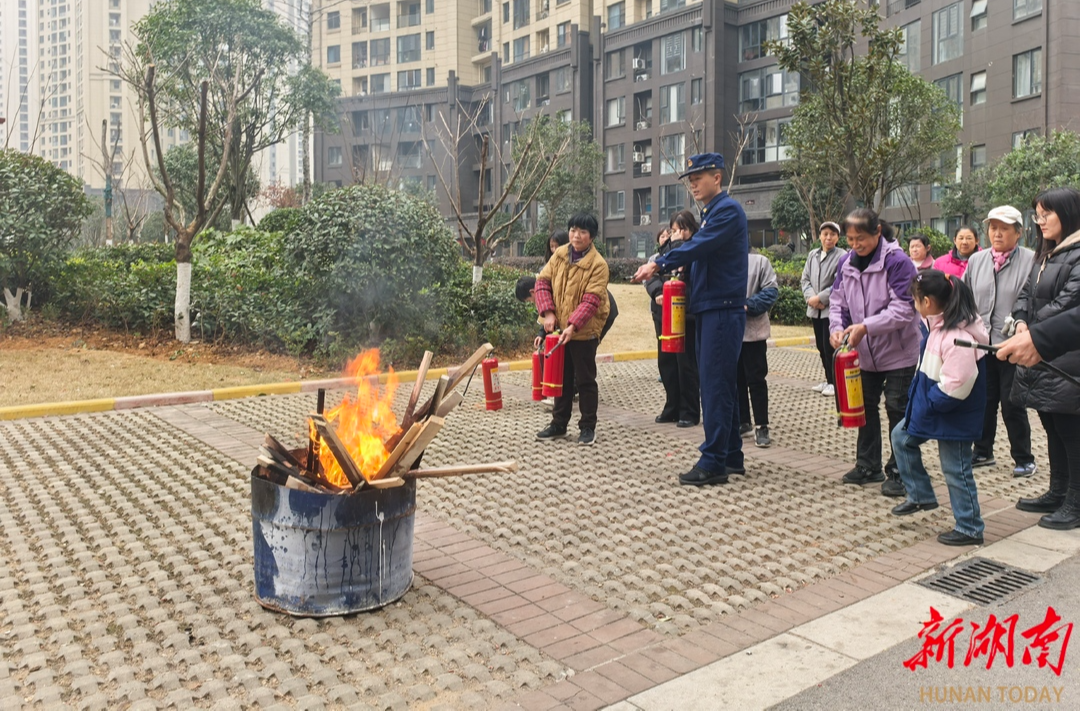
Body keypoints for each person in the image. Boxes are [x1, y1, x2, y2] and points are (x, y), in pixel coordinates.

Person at [632, 153, 748, 486]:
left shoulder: (726, 211)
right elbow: (699, 251)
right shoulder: (711, 214)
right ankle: (730, 455)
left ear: (718, 178)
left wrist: (658, 263)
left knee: (713, 386)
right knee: (722, 384)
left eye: (700, 177)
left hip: (722, 308)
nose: (694, 183)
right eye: (691, 179)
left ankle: (713, 462)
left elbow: (698, 247)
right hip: (712, 307)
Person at [890, 270, 988, 546]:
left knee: (956, 469)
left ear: (929, 302)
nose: (913, 303)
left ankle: (970, 526)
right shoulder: (937, 324)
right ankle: (921, 495)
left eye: (915, 299)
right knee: (901, 437)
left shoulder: (957, 335)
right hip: (932, 406)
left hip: (951, 413)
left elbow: (958, 383)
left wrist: (930, 403)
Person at [829, 208, 921, 497]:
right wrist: (837, 328)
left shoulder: (898, 262)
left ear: (878, 232)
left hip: (898, 351)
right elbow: (838, 301)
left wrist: (865, 326)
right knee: (864, 406)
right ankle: (868, 465)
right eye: (851, 239)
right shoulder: (845, 262)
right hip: (863, 354)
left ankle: (901, 471)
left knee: (897, 408)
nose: (856, 245)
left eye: (862, 239)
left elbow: (904, 309)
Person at [1008, 187, 1080, 528]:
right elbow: (1025, 294)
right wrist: (1022, 321)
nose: (1040, 221)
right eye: (1037, 214)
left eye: (1046, 213)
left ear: (1068, 213)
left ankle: (1076, 503)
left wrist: (1032, 331)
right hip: (1041, 353)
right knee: (1051, 425)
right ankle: (1058, 491)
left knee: (1071, 430)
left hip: (1067, 358)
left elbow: (1068, 303)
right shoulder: (1048, 253)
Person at [962, 205, 1036, 477]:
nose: (997, 233)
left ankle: (1024, 457)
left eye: (1004, 228)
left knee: (1012, 402)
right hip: (982, 344)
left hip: (1014, 345)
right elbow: (965, 298)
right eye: (993, 228)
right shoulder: (976, 261)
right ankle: (982, 451)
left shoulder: (1032, 260)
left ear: (1018, 233)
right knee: (983, 399)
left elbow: (1033, 300)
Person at [533, 214, 611, 446]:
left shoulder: (598, 265)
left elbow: (591, 301)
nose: (576, 236)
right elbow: (542, 283)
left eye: (583, 232)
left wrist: (573, 326)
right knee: (562, 378)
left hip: (584, 331)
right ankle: (559, 423)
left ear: (592, 236)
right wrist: (548, 313)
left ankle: (587, 427)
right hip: (560, 329)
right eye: (573, 230)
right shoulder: (559, 254)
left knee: (585, 379)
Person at [645, 215, 700, 427]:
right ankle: (672, 407)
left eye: (683, 229)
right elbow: (653, 273)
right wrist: (658, 292)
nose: (679, 234)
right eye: (675, 229)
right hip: (663, 314)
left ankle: (690, 411)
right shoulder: (663, 251)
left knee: (686, 364)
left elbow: (687, 267)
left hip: (687, 315)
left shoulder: (696, 249)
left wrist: (678, 244)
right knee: (666, 362)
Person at [801, 221, 847, 397]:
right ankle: (828, 380)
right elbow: (804, 279)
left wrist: (820, 298)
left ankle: (835, 383)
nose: (828, 238)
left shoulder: (842, 256)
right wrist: (811, 298)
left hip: (831, 310)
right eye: (825, 234)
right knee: (821, 346)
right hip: (815, 310)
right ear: (820, 236)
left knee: (831, 348)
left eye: (832, 234)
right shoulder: (813, 255)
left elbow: (840, 282)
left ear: (838, 237)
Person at [739, 248, 779, 447]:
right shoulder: (722, 260)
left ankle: (762, 425)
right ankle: (742, 421)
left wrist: (746, 305)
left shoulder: (759, 261)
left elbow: (771, 291)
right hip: (730, 333)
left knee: (756, 380)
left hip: (753, 333)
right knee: (735, 379)